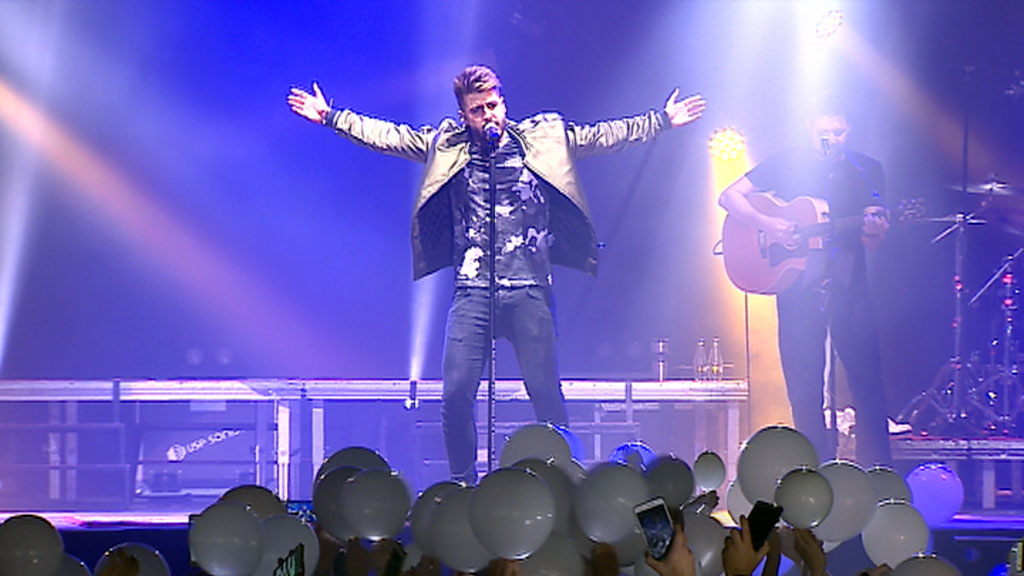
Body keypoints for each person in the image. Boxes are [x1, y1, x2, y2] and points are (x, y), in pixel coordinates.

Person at [288, 65, 706, 483]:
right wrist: (331, 116)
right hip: (473, 291)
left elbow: (602, 136)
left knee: (546, 394)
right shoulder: (447, 145)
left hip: (529, 289)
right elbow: (390, 136)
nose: (488, 115)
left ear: (503, 103)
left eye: (492, 105)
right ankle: (464, 483)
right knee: (455, 395)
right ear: (464, 115)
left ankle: (564, 479)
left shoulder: (544, 140)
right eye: (477, 110)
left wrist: (661, 120)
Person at [718, 92, 892, 466]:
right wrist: (769, 225)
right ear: (810, 128)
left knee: (868, 386)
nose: (831, 139)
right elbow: (729, 197)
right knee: (803, 389)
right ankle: (815, 477)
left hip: (849, 288)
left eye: (838, 132)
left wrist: (874, 230)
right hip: (797, 292)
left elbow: (873, 239)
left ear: (849, 130)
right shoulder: (788, 162)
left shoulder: (866, 169)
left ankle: (879, 476)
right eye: (823, 132)